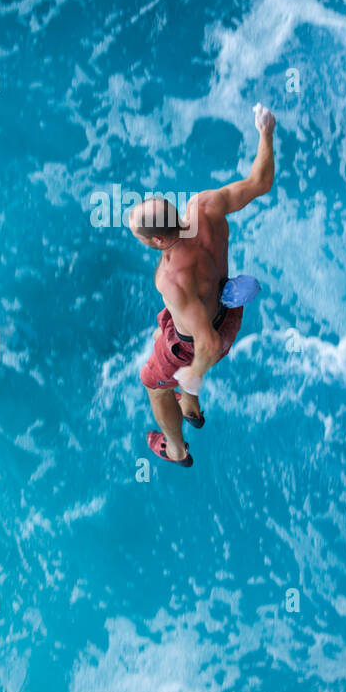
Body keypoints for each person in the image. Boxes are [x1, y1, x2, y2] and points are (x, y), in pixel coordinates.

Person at [128, 104, 276, 466]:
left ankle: (177, 449)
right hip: (230, 311)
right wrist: (266, 133)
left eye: (144, 240)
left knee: (153, 384)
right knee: (159, 331)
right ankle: (191, 408)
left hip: (205, 338)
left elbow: (206, 343)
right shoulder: (205, 206)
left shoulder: (170, 279)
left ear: (159, 241)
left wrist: (191, 377)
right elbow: (261, 182)